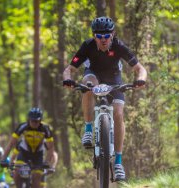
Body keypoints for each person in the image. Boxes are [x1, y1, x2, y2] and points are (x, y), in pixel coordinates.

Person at [62, 16, 147, 181]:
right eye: (99, 36)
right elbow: (69, 69)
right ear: (94, 36)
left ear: (113, 34)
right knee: (87, 85)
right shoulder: (87, 46)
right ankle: (88, 129)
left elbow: (140, 68)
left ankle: (118, 163)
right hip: (93, 74)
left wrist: (141, 79)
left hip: (114, 78)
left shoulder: (118, 45)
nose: (103, 40)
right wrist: (67, 79)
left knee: (118, 113)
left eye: (107, 36)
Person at [1, 108, 56, 188]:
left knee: (37, 178)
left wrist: (47, 162)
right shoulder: (22, 126)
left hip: (38, 155)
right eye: (32, 121)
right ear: (29, 120)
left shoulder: (45, 128)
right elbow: (10, 144)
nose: (34, 123)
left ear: (40, 120)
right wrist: (3, 159)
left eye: (36, 121)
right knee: (16, 173)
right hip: (24, 153)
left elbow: (51, 147)